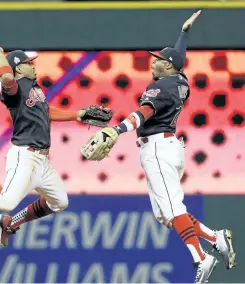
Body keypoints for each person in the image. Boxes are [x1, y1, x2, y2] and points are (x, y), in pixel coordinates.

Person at [81, 10, 236, 283]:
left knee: (173, 209)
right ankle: (215, 237)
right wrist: (184, 33)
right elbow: (178, 58)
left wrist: (117, 130)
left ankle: (202, 257)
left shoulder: (159, 87)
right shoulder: (180, 81)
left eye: (159, 61)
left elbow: (142, 114)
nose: (154, 63)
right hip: (168, 146)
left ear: (168, 66)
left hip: (157, 149)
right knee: (166, 215)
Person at [0, 34, 111, 248]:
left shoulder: (34, 88)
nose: (33, 66)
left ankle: (12, 222)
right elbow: (5, 79)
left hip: (42, 160)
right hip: (25, 156)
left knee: (60, 202)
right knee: (4, 202)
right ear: (18, 68)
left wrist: (77, 114)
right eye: (28, 64)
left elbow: (45, 112)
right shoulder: (14, 89)